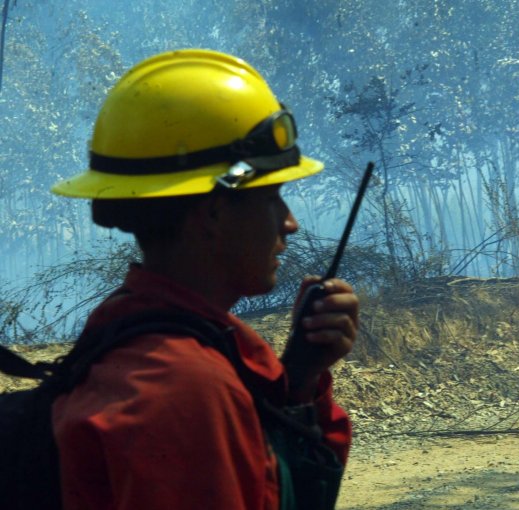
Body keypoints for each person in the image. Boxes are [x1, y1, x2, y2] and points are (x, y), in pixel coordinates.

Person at [49, 49, 357, 510]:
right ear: (213, 211)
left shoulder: (134, 332)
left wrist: (298, 380)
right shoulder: (182, 390)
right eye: (272, 196)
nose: (289, 222)